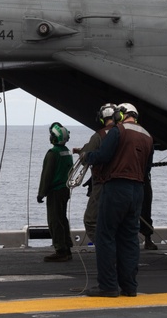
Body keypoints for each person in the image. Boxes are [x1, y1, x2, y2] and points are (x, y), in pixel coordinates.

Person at [83, 102, 153, 298]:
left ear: (122, 115)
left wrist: (87, 155)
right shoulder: (148, 136)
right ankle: (130, 287)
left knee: (105, 236)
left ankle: (107, 286)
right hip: (137, 190)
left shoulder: (118, 131)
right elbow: (147, 169)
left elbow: (103, 156)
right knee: (130, 239)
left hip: (116, 188)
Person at [72, 102, 117, 244]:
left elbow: (87, 156)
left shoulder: (99, 135)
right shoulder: (124, 134)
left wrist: (82, 153)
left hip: (102, 184)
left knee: (91, 221)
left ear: (102, 118)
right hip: (124, 184)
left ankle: (106, 250)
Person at [38, 122, 74, 262]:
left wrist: (41, 193)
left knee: (54, 220)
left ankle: (61, 250)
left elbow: (47, 175)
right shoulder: (67, 152)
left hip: (55, 191)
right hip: (65, 190)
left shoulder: (52, 153)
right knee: (63, 219)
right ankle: (67, 247)